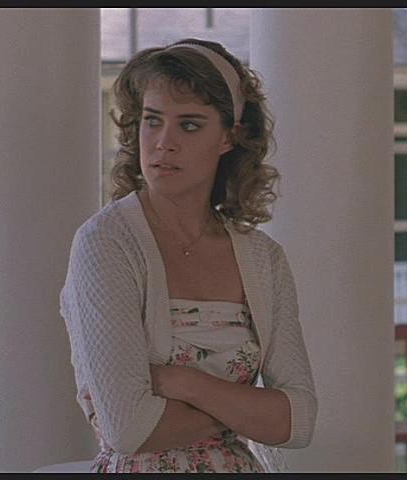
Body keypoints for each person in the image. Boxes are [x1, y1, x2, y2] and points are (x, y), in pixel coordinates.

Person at [60, 38, 317, 473]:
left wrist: (185, 383)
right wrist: (247, 410)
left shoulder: (263, 259)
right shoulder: (106, 243)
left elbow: (299, 420)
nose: (164, 143)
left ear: (229, 137)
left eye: (190, 125)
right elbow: (129, 428)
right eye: (152, 121)